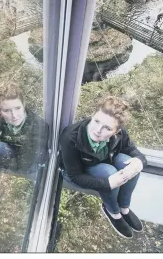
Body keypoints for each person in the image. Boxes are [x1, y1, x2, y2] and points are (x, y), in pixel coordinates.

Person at [60, 96, 147, 239]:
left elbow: (134, 151)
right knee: (108, 172)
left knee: (130, 163)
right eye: (96, 121)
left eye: (107, 127)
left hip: (104, 160)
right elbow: (74, 175)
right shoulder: (71, 136)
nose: (98, 130)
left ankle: (124, 208)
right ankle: (113, 211)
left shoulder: (120, 134)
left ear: (117, 131)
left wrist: (140, 161)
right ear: (92, 116)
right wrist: (108, 183)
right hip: (79, 171)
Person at [0, 83, 49, 195]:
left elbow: (23, 166)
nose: (14, 115)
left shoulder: (38, 127)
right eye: (7, 111)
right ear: (0, 110)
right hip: (10, 145)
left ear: (24, 105)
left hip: (27, 161)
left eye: (17, 108)